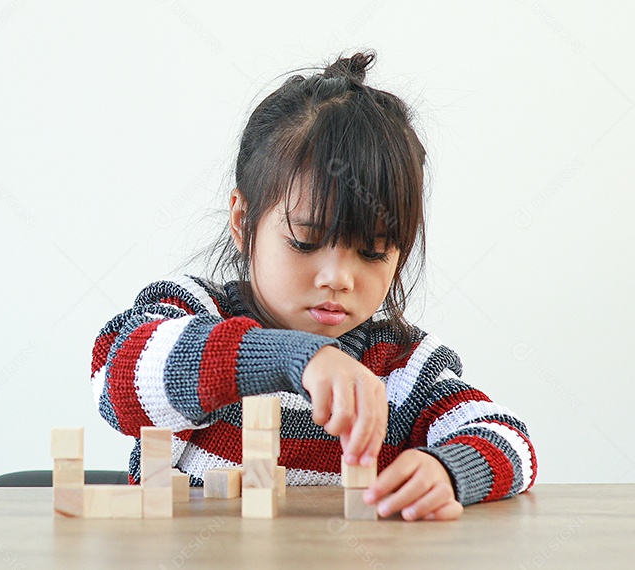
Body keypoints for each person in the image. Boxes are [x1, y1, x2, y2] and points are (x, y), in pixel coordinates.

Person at [89, 50, 535, 521]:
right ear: (243, 222)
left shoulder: (403, 367)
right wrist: (292, 357)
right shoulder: (191, 313)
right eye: (305, 240)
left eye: (373, 251)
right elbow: (114, 382)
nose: (338, 279)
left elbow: (511, 441)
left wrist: (448, 471)